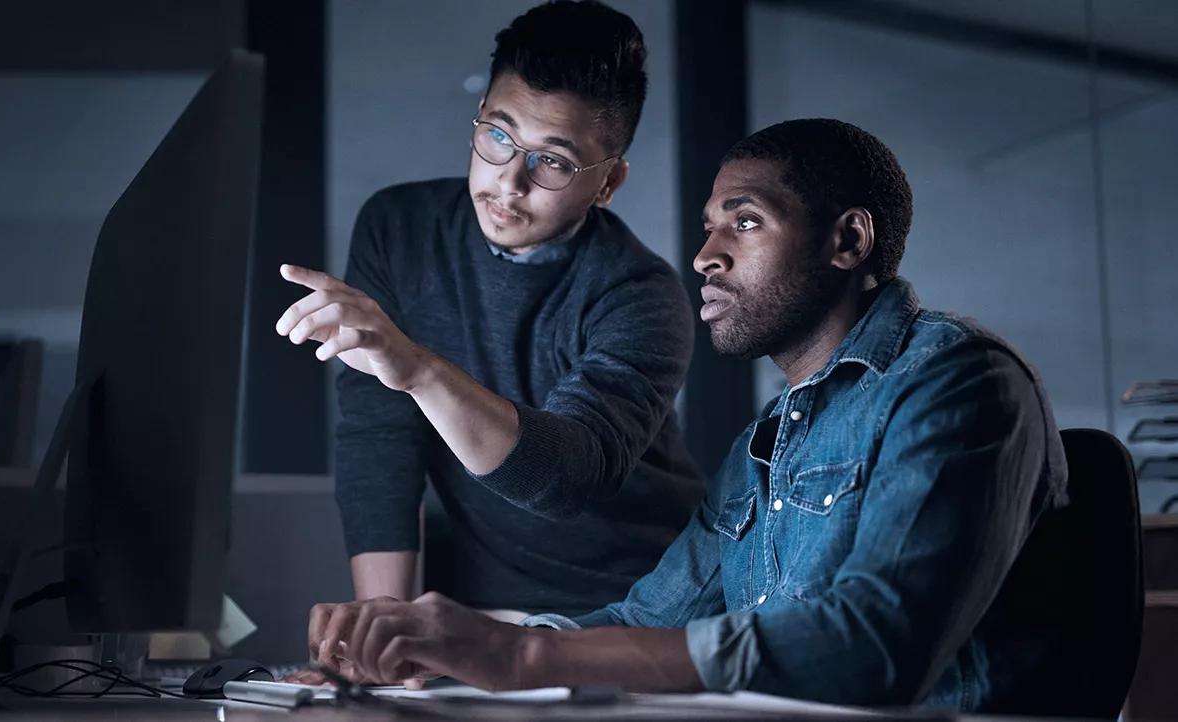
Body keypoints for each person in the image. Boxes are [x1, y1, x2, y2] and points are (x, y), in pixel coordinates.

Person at [306, 118, 1070, 713]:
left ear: (848, 239)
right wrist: (464, 644)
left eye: (743, 223)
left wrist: (523, 661)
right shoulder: (766, 445)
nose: (704, 255)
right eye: (708, 226)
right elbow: (645, 620)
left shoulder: (958, 382)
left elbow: (874, 649)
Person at [275, 0, 704, 664]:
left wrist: (416, 369)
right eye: (498, 135)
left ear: (608, 183)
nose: (508, 180)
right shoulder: (399, 229)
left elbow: (566, 477)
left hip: (636, 612)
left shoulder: (641, 294)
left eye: (553, 162)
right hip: (479, 609)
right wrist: (383, 627)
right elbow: (378, 438)